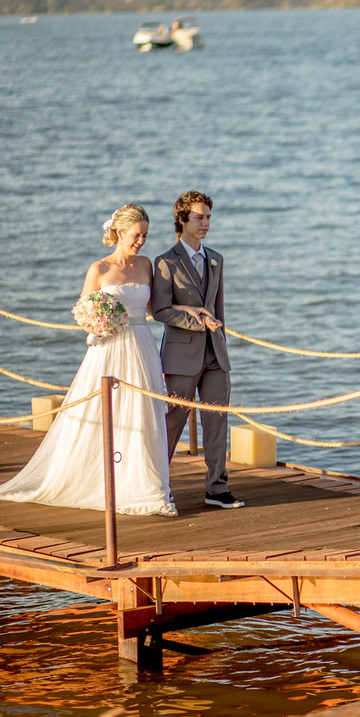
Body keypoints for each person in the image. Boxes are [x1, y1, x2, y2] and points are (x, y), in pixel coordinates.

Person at [0, 205, 179, 516]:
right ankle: (102, 482)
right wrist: (102, 322)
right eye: (135, 235)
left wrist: (190, 310)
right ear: (118, 233)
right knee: (107, 413)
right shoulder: (98, 270)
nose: (141, 241)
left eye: (145, 235)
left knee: (143, 413)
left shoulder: (146, 266)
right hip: (110, 349)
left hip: (142, 347)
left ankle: (146, 487)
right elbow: (84, 316)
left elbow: (155, 309)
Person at [152, 190, 242, 509]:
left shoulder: (216, 258)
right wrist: (198, 323)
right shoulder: (164, 262)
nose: (205, 223)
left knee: (217, 420)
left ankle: (216, 487)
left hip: (216, 354)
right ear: (182, 220)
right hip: (181, 355)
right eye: (199, 218)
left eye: (208, 218)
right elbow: (160, 310)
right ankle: (156, 483)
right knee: (175, 418)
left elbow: (218, 308)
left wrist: (219, 337)